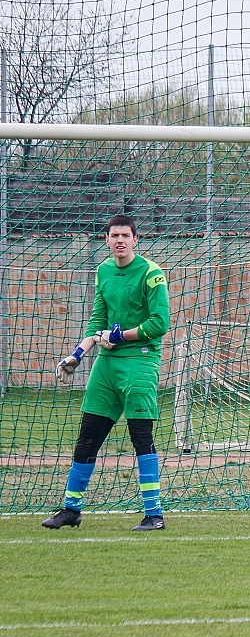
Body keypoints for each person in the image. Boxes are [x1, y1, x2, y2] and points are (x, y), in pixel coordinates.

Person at [44, 215, 171, 531]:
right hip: (106, 364)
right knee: (88, 436)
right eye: (115, 236)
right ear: (107, 240)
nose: (120, 241)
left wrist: (120, 336)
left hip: (139, 361)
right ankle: (71, 510)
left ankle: (154, 515)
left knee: (141, 437)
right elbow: (97, 320)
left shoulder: (151, 273)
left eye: (125, 235)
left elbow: (160, 323)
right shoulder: (103, 271)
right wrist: (76, 355)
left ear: (135, 239)